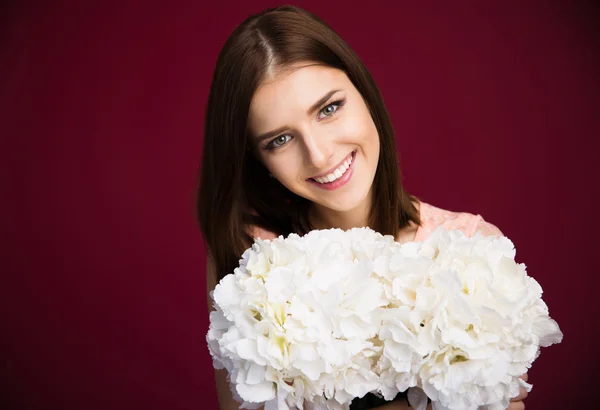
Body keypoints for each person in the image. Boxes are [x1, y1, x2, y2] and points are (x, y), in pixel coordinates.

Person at [197, 5, 528, 410]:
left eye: (329, 109)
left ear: (364, 92)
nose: (319, 157)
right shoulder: (253, 263)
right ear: (257, 159)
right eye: (280, 140)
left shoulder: (470, 251)